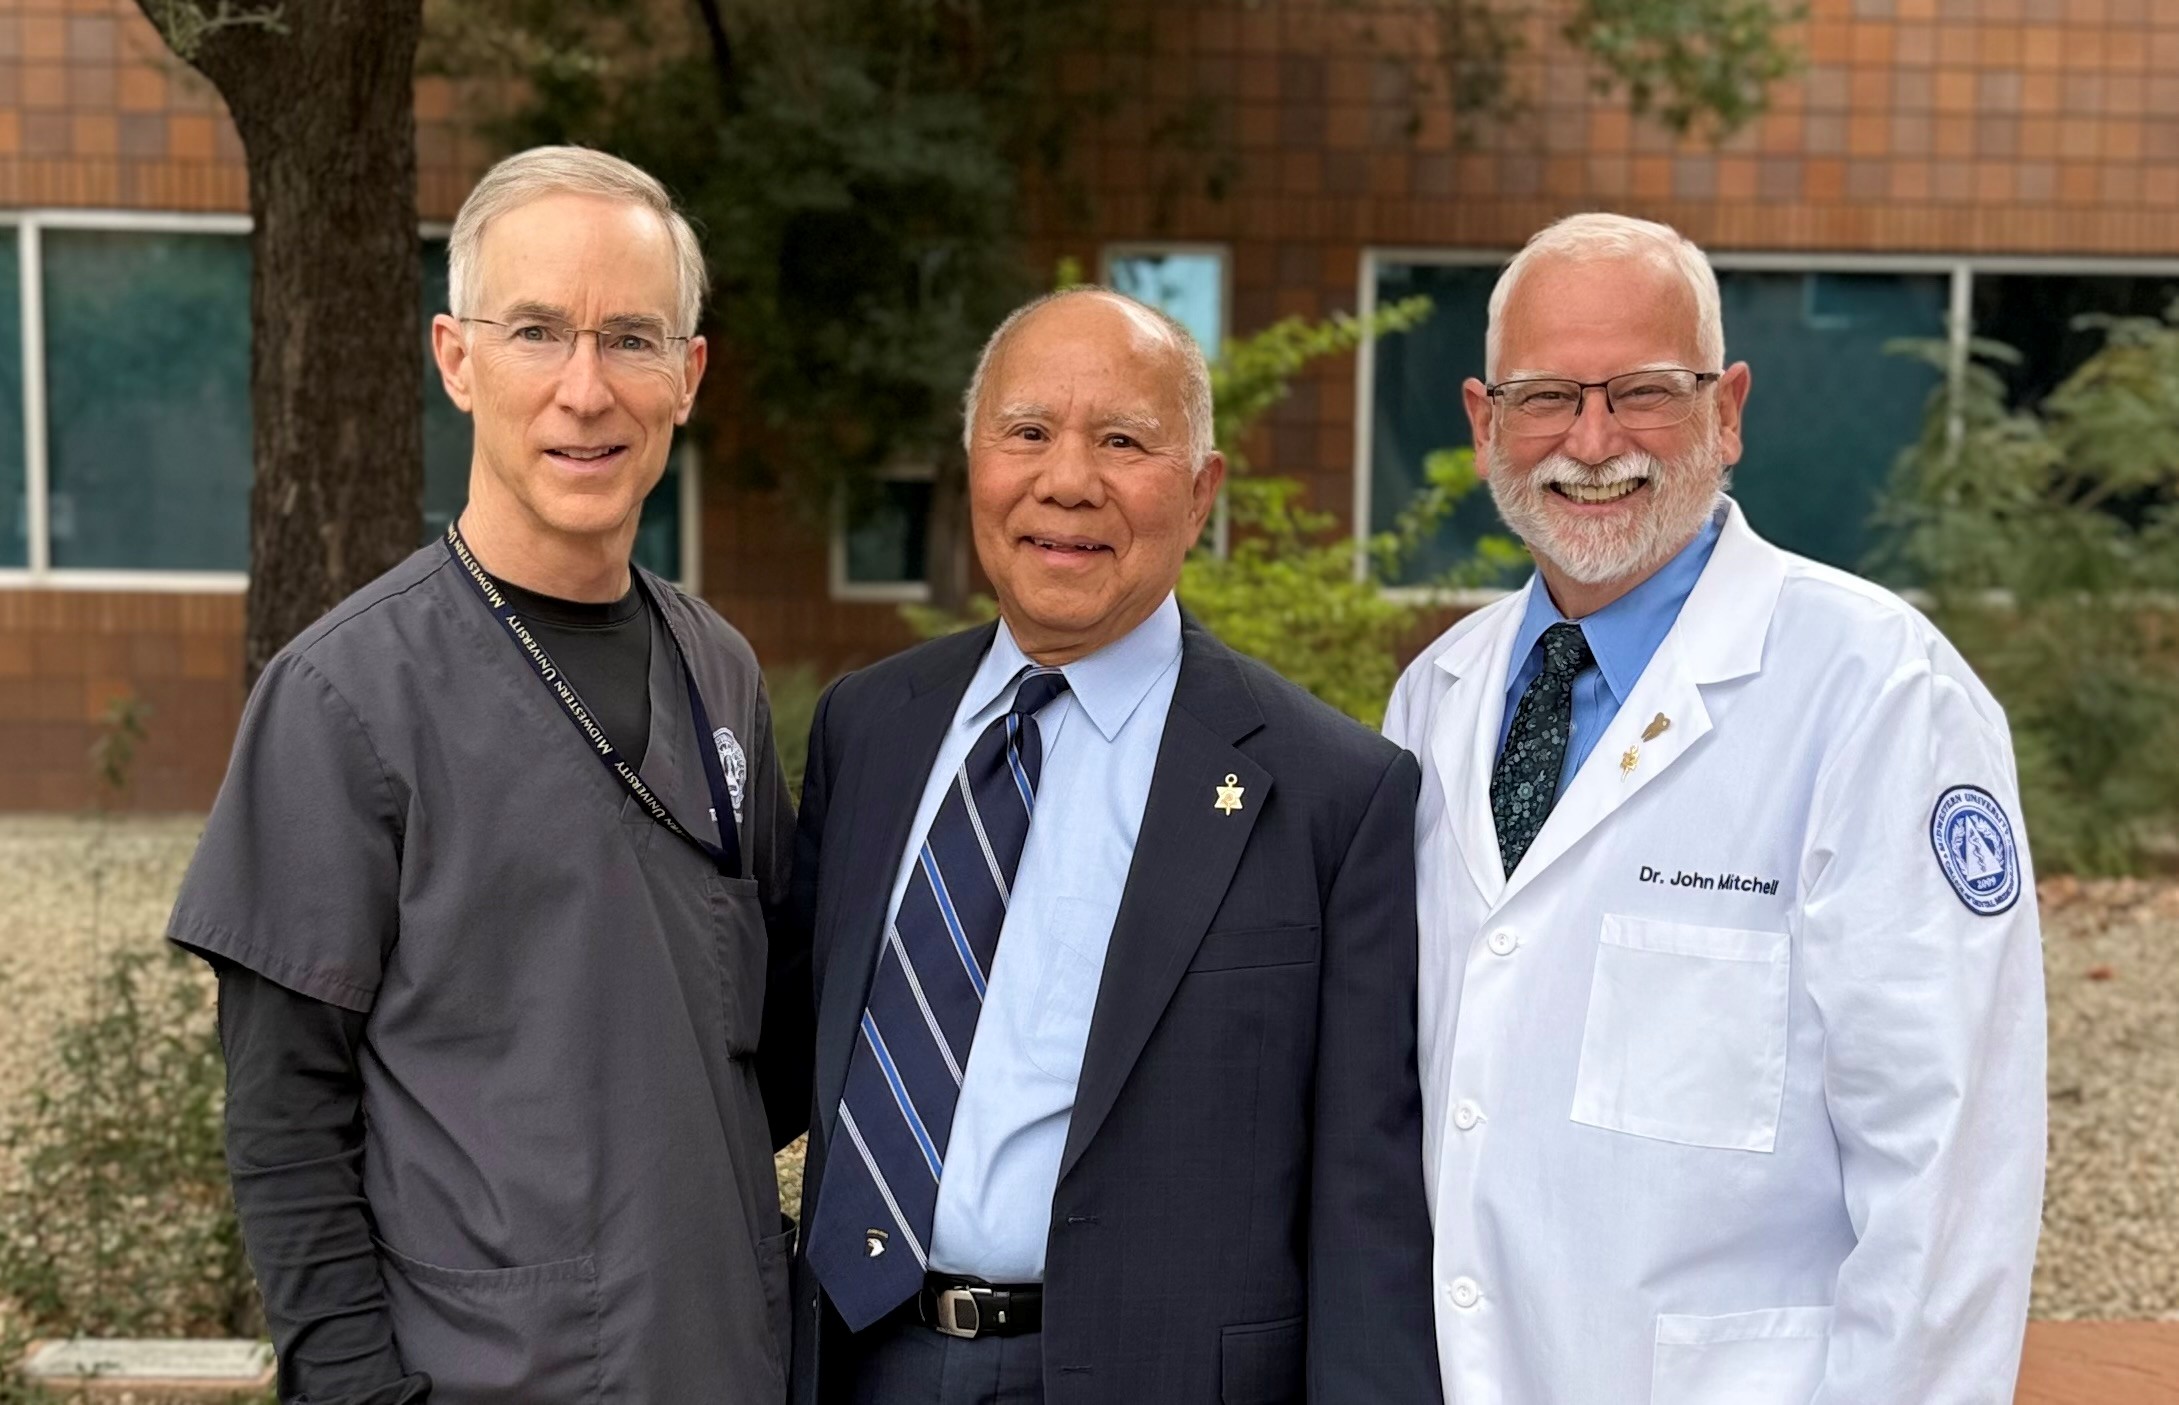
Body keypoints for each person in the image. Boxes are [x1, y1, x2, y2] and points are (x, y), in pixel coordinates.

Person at [169, 146, 806, 1403]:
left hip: (728, 1353)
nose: (585, 390)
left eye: (631, 338)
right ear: (456, 359)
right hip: (485, 1372)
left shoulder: (718, 670)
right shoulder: (343, 698)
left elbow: (756, 1039)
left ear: (687, 377)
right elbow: (285, 1123)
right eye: (536, 332)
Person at [1382, 212, 2047, 1405]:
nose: (1591, 441)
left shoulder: (1877, 688)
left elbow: (1946, 1166)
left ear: (1726, 410)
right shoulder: (1434, 697)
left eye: (1643, 391)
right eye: (1546, 397)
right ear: (1485, 422)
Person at [784, 288, 1441, 1405]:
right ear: (974, 463)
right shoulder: (871, 725)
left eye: (1123, 441)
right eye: (1027, 433)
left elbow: (1363, 1201)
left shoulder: (1333, 791)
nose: (1067, 481)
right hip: (857, 1359)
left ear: (1200, 496)